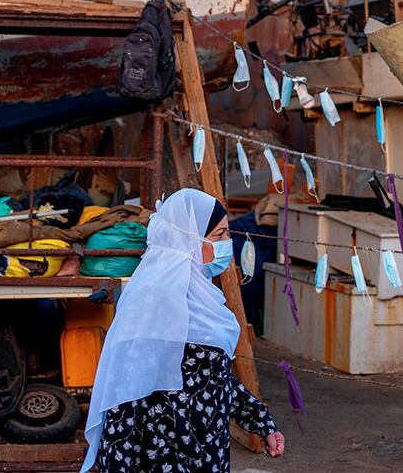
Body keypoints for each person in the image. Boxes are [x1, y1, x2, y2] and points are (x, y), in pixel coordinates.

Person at [82, 187, 286, 472]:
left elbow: (215, 378)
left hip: (208, 453)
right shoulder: (151, 303)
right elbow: (124, 396)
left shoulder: (205, 298)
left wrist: (261, 423)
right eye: (220, 235)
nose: (228, 242)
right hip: (160, 457)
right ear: (189, 240)